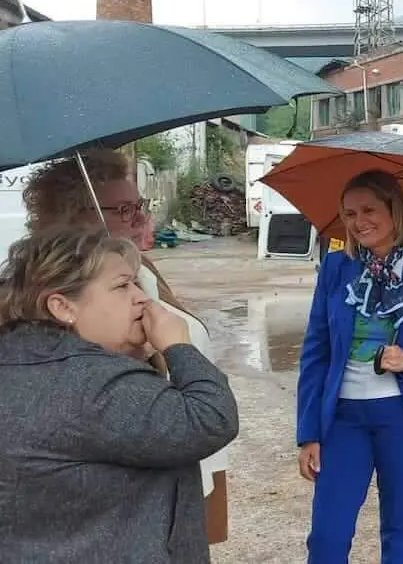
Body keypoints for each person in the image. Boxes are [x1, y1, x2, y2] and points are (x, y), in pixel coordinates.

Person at [20, 147, 234, 544]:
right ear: (74, 218)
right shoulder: (57, 310)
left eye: (139, 204)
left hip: (186, 468)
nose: (139, 218)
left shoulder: (142, 271)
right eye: (122, 210)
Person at [0, 225, 239, 563]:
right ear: (63, 307)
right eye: (122, 285)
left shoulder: (17, 360)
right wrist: (178, 347)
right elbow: (211, 418)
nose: (141, 297)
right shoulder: (94, 385)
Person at [296, 169, 403, 563]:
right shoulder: (337, 269)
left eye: (369, 210)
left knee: (400, 527)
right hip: (342, 418)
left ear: (395, 211)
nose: (359, 222)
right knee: (327, 533)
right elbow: (315, 351)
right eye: (350, 214)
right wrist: (308, 432)